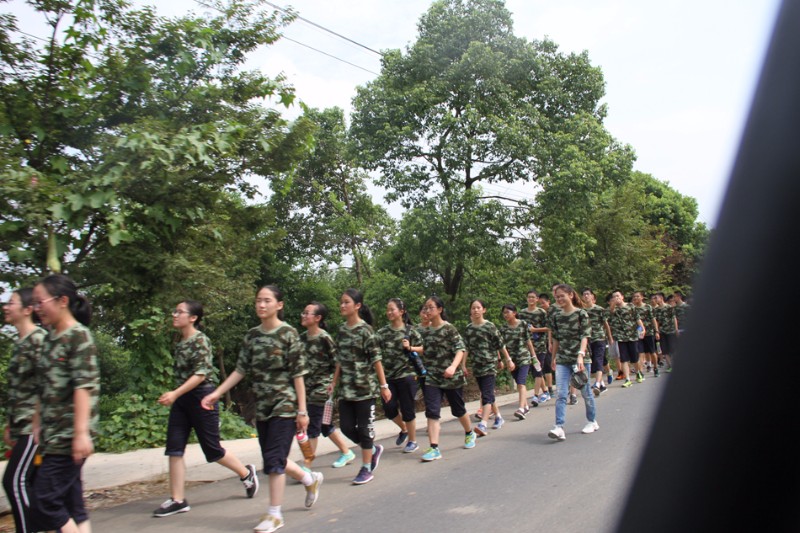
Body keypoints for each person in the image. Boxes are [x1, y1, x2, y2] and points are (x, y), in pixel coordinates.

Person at [200, 285, 322, 533]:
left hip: (285, 405)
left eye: (267, 300)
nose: (261, 305)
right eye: (258, 301)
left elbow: (298, 375)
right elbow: (240, 370)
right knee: (272, 457)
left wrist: (302, 411)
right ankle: (310, 479)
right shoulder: (252, 336)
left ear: (279, 305)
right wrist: (216, 393)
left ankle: (274, 514)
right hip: (263, 407)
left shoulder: (288, 334)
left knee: (274, 460)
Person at [153, 299, 258, 518]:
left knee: (212, 449)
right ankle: (178, 499)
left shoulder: (200, 340)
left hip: (202, 397)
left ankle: (246, 473)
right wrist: (177, 395)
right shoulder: (180, 342)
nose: (174, 315)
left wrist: (174, 393)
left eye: (179, 312)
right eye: (174, 311)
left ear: (193, 318)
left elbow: (200, 374)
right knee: (174, 448)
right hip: (182, 400)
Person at [30, 274, 100, 533]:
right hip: (52, 434)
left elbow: (84, 386)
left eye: (40, 302)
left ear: (62, 301)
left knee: (44, 502)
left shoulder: (78, 336)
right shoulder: (49, 338)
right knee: (71, 502)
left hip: (69, 435)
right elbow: (44, 385)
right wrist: (37, 424)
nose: (37, 309)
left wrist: (81, 434)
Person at [330, 288, 391, 484]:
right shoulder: (341, 330)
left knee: (365, 429)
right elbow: (338, 359)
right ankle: (372, 449)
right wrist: (333, 382)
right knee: (347, 427)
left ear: (357, 306)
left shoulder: (366, 331)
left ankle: (366, 468)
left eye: (346, 302)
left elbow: (376, 360)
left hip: (365, 388)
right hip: (347, 389)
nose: (342, 305)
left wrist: (384, 386)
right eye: (341, 302)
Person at [3, 288, 46, 533]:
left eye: (12, 302)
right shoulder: (20, 343)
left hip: (35, 426)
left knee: (14, 481)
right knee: (28, 483)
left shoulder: (38, 339)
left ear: (28, 310)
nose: (6, 307)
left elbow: (47, 384)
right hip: (22, 425)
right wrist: (11, 424)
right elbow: (20, 389)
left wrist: (37, 422)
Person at [298, 301, 356, 469]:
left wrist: (333, 383)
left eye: (307, 313)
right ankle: (346, 452)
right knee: (325, 425)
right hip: (307, 388)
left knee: (313, 426)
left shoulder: (325, 338)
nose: (303, 315)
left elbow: (337, 362)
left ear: (317, 318)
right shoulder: (301, 338)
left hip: (321, 388)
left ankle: (307, 465)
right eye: (303, 312)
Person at [418, 296, 477, 461]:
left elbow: (460, 349)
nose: (427, 311)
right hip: (432, 377)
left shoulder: (449, 329)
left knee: (458, 409)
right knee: (432, 412)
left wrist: (453, 367)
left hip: (451, 378)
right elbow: (426, 349)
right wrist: (410, 348)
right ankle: (434, 448)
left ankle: (469, 432)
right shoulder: (425, 331)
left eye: (431, 307)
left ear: (440, 309)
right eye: (425, 308)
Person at [547, 284, 599, 441]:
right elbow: (556, 338)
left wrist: (581, 355)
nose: (559, 299)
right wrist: (554, 358)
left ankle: (592, 421)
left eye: (562, 295)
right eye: (557, 297)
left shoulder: (581, 314)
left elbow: (585, 335)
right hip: (563, 359)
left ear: (570, 295)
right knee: (561, 393)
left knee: (585, 392)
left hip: (580, 359)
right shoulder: (556, 316)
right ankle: (559, 427)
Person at [375, 298, 423, 454]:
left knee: (408, 409)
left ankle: (412, 441)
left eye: (392, 309)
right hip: (389, 377)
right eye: (387, 309)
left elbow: (425, 348)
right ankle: (404, 429)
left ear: (401, 312)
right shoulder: (382, 333)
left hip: (407, 374)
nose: (389, 312)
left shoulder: (411, 331)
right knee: (388, 408)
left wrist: (410, 347)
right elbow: (375, 354)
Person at [463, 299, 514, 436]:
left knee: (486, 395)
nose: (475, 310)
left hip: (489, 364)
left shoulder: (490, 326)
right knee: (488, 393)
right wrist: (463, 365)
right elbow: (465, 348)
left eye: (478, 308)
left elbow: (500, 344)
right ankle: (498, 417)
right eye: (473, 308)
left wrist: (507, 359)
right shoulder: (469, 329)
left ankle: (483, 424)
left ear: (483, 310)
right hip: (477, 365)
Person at [499, 304, 539, 421]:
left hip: (524, 358)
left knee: (521, 383)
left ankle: (521, 408)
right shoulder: (503, 329)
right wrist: (502, 359)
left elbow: (528, 341)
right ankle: (526, 406)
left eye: (508, 312)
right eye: (504, 312)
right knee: (518, 382)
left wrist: (534, 356)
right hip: (512, 360)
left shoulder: (523, 324)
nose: (506, 314)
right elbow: (500, 346)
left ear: (514, 313)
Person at [607, 290, 645, 388]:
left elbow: (637, 318)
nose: (617, 298)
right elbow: (609, 314)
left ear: (622, 297)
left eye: (618, 296)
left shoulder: (630, 306)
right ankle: (627, 379)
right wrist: (613, 304)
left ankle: (638, 373)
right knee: (623, 359)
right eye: (614, 296)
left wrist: (643, 329)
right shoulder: (613, 309)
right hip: (620, 337)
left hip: (632, 336)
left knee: (634, 358)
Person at [517, 290, 549, 406]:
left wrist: (535, 330)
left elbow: (549, 327)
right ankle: (545, 391)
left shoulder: (541, 312)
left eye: (533, 297)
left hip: (539, 345)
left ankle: (535, 395)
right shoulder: (522, 313)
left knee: (538, 369)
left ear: (537, 299)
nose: (530, 299)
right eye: (529, 297)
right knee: (534, 370)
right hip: (526, 346)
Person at [581, 288, 613, 394]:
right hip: (588, 340)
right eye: (584, 294)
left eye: (588, 294)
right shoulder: (581, 311)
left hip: (599, 337)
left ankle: (598, 384)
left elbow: (605, 324)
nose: (586, 296)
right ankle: (603, 382)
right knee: (595, 361)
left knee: (598, 360)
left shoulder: (599, 309)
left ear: (593, 297)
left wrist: (610, 337)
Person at [631, 291, 659, 379]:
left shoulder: (648, 307)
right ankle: (641, 371)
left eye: (638, 296)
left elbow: (653, 319)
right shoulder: (632, 308)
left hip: (649, 332)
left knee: (652, 352)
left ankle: (655, 368)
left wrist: (656, 331)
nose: (636, 298)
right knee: (640, 353)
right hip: (638, 334)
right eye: (634, 297)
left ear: (642, 297)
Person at [536, 292, 556, 399]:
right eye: (540, 304)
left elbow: (549, 328)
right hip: (541, 342)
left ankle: (551, 388)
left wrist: (535, 329)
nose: (541, 306)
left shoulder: (553, 312)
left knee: (549, 364)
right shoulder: (538, 313)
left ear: (549, 302)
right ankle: (547, 389)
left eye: (543, 303)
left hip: (554, 341)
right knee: (542, 366)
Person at [652, 292, 677, 372]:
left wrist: (676, 329)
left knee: (672, 348)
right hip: (662, 331)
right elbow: (656, 321)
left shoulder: (669, 307)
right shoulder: (656, 310)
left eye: (656, 298)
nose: (655, 300)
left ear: (661, 298)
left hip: (671, 330)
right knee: (664, 349)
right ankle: (670, 365)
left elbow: (674, 318)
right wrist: (657, 331)